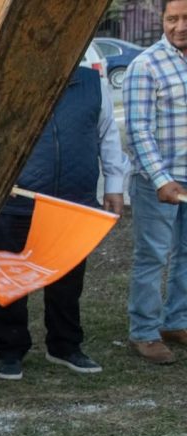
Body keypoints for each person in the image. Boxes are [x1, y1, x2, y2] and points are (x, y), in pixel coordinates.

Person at [0, 66, 127, 380]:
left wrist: (115, 184)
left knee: (68, 281)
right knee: (10, 278)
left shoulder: (93, 83)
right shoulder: (8, 78)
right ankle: (9, 350)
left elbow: (107, 134)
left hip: (73, 204)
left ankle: (64, 345)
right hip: (17, 202)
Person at [124, 0, 187, 364]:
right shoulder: (145, 65)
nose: (179, 26)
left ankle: (176, 320)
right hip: (157, 185)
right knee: (152, 257)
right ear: (161, 20)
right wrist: (162, 179)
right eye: (172, 18)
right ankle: (145, 332)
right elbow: (137, 130)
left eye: (185, 18)